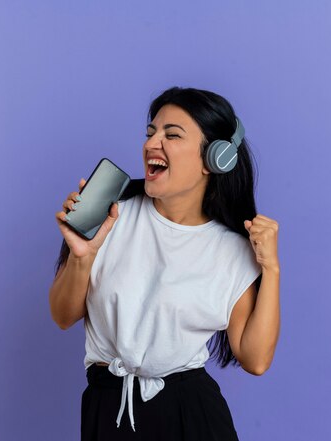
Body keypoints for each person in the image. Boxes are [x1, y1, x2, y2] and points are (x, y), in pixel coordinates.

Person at [49, 86, 281, 441]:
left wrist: (271, 269)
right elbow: (62, 315)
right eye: (151, 132)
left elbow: (255, 360)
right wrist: (83, 256)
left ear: (214, 159)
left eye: (172, 135)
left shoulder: (233, 250)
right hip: (107, 405)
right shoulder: (112, 213)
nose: (151, 143)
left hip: (190, 413)